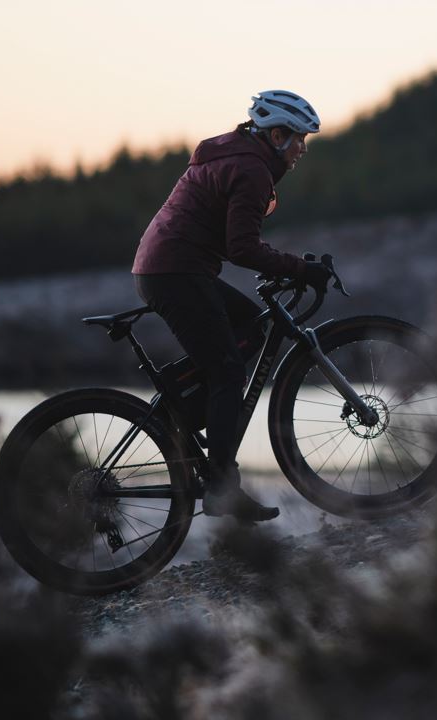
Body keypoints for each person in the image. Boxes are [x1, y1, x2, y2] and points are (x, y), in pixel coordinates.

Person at [132, 90, 330, 522]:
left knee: (249, 328)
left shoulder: (233, 154)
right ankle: (223, 487)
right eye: (299, 139)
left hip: (171, 267)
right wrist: (300, 269)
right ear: (277, 135)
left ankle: (182, 415)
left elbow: (229, 237)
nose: (302, 150)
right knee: (227, 371)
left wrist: (282, 266)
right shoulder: (252, 169)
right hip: (177, 272)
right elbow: (242, 248)